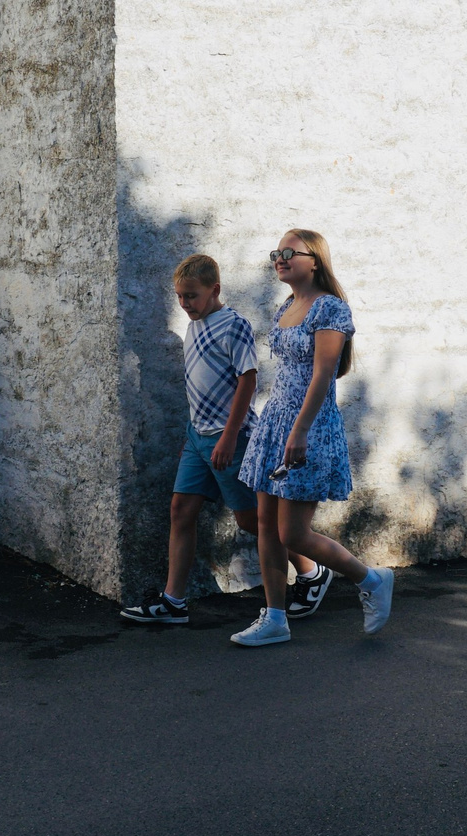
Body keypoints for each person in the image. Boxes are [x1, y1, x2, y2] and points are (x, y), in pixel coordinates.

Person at [122, 255, 334, 624]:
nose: (185, 304)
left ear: (214, 290)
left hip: (230, 439)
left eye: (192, 296)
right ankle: (174, 602)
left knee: (254, 521)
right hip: (197, 437)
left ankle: (312, 571)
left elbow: (247, 381)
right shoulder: (194, 325)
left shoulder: (233, 325)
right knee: (180, 510)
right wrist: (196, 436)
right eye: (180, 297)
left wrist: (228, 437)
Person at [230, 230, 396, 646]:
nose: (280, 259)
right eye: (277, 253)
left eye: (290, 253)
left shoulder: (331, 309)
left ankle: (372, 579)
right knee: (265, 525)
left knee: (293, 534)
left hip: (311, 426)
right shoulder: (286, 306)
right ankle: (274, 619)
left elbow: (323, 374)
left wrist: (300, 430)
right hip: (275, 424)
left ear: (315, 260)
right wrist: (279, 427)